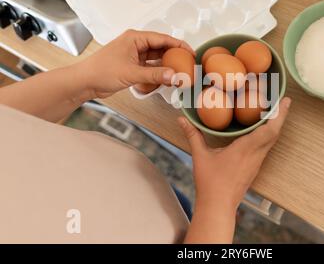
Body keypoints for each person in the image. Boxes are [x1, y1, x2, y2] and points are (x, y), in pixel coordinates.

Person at [0, 30, 291, 244]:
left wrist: (83, 80)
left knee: (177, 207)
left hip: (134, 190)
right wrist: (218, 206)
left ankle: (190, 217)